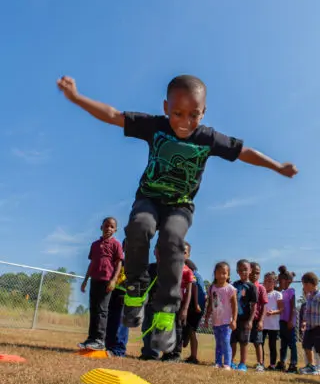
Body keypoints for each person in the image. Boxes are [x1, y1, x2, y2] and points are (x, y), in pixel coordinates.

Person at [57, 74, 298, 353]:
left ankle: (165, 314)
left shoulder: (208, 138)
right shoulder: (156, 126)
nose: (185, 122)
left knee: (172, 240)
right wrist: (76, 98)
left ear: (203, 112)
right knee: (139, 227)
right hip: (148, 198)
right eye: (177, 113)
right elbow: (112, 115)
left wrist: (277, 166)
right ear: (165, 108)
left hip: (180, 206)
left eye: (193, 115)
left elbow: (244, 152)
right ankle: (135, 289)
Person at [79, 217, 123, 350]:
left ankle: (99, 340)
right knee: (93, 309)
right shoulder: (95, 245)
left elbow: (119, 263)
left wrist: (114, 280)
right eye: (106, 225)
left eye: (112, 226)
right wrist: (86, 280)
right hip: (95, 280)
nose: (108, 228)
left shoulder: (116, 244)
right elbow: (92, 263)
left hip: (107, 281)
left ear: (115, 230)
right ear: (101, 227)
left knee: (102, 310)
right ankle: (91, 338)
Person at [162, 242, 194, 362]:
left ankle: (176, 353)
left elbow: (189, 291)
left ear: (188, 255)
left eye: (184, 252)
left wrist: (185, 309)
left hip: (180, 304)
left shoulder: (188, 272)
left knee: (178, 329)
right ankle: (166, 353)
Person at [205, 262, 237, 370]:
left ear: (228, 275)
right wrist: (206, 318)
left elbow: (234, 306)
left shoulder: (230, 289)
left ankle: (227, 364)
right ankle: (218, 362)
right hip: (216, 321)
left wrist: (234, 320)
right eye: (219, 273)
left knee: (226, 342)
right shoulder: (212, 288)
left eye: (224, 273)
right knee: (218, 342)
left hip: (226, 321)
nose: (222, 275)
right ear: (215, 274)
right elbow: (211, 304)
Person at [231, 260, 258, 371]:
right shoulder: (234, 285)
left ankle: (242, 364)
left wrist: (250, 320)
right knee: (232, 341)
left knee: (244, 342)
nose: (243, 272)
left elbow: (254, 306)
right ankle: (230, 361)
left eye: (245, 269)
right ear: (237, 271)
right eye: (241, 270)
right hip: (234, 319)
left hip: (245, 319)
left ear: (250, 270)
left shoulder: (252, 287)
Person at [105, 240, 129, 357]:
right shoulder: (118, 262)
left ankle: (119, 350)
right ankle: (108, 346)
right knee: (111, 321)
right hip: (113, 293)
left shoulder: (136, 265)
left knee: (122, 323)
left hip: (125, 296)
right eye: (126, 245)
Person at [183, 258, 207, 364]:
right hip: (196, 306)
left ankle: (193, 356)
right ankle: (191, 353)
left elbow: (196, 289)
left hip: (195, 307)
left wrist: (196, 304)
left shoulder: (192, 275)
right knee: (190, 330)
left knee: (191, 331)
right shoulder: (198, 274)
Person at [276, 268, 298, 373]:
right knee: (283, 344)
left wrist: (291, 321)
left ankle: (293, 364)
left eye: (280, 280)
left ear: (288, 281)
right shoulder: (281, 292)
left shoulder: (291, 291)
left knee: (292, 344)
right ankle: (282, 363)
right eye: (278, 280)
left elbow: (293, 308)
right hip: (281, 321)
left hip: (289, 322)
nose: (279, 282)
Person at [300, 272, 320, 375]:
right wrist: (304, 322)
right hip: (309, 327)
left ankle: (318, 367)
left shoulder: (319, 296)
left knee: (318, 348)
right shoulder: (308, 297)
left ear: (309, 284)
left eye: (303, 284)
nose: (303, 287)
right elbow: (307, 311)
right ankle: (310, 366)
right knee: (306, 345)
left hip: (318, 327)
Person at [249, 262, 268, 372]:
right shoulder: (244, 286)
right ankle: (241, 362)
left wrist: (261, 320)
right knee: (243, 341)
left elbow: (264, 305)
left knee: (258, 342)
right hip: (244, 320)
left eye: (258, 273)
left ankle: (260, 363)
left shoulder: (261, 288)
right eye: (253, 272)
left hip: (256, 320)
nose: (255, 275)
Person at [262, 272, 283, 370]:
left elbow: (281, 309)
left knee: (272, 345)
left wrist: (273, 312)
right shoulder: (262, 293)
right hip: (262, 324)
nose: (267, 283)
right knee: (260, 343)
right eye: (265, 281)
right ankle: (260, 363)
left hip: (273, 325)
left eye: (270, 281)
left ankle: (272, 364)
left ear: (274, 283)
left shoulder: (277, 294)